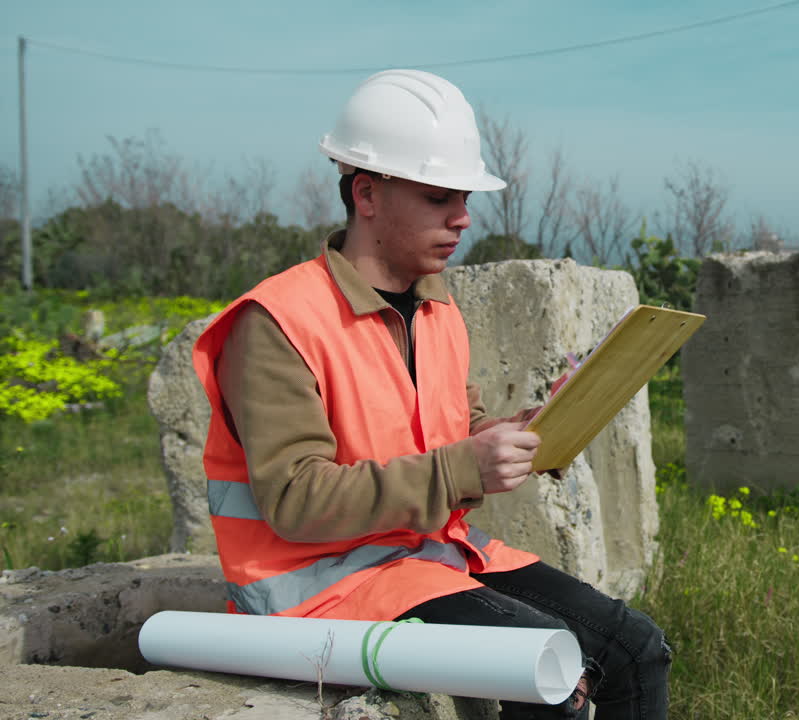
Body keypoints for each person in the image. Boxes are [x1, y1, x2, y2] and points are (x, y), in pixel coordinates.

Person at [192, 69, 670, 719]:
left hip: (426, 554)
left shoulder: (436, 308)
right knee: (544, 664)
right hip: (317, 585)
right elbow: (296, 502)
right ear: (367, 193)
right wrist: (462, 468)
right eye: (439, 197)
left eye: (465, 198)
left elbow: (455, 433)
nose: (463, 218)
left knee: (637, 649)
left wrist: (529, 430)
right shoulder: (276, 322)